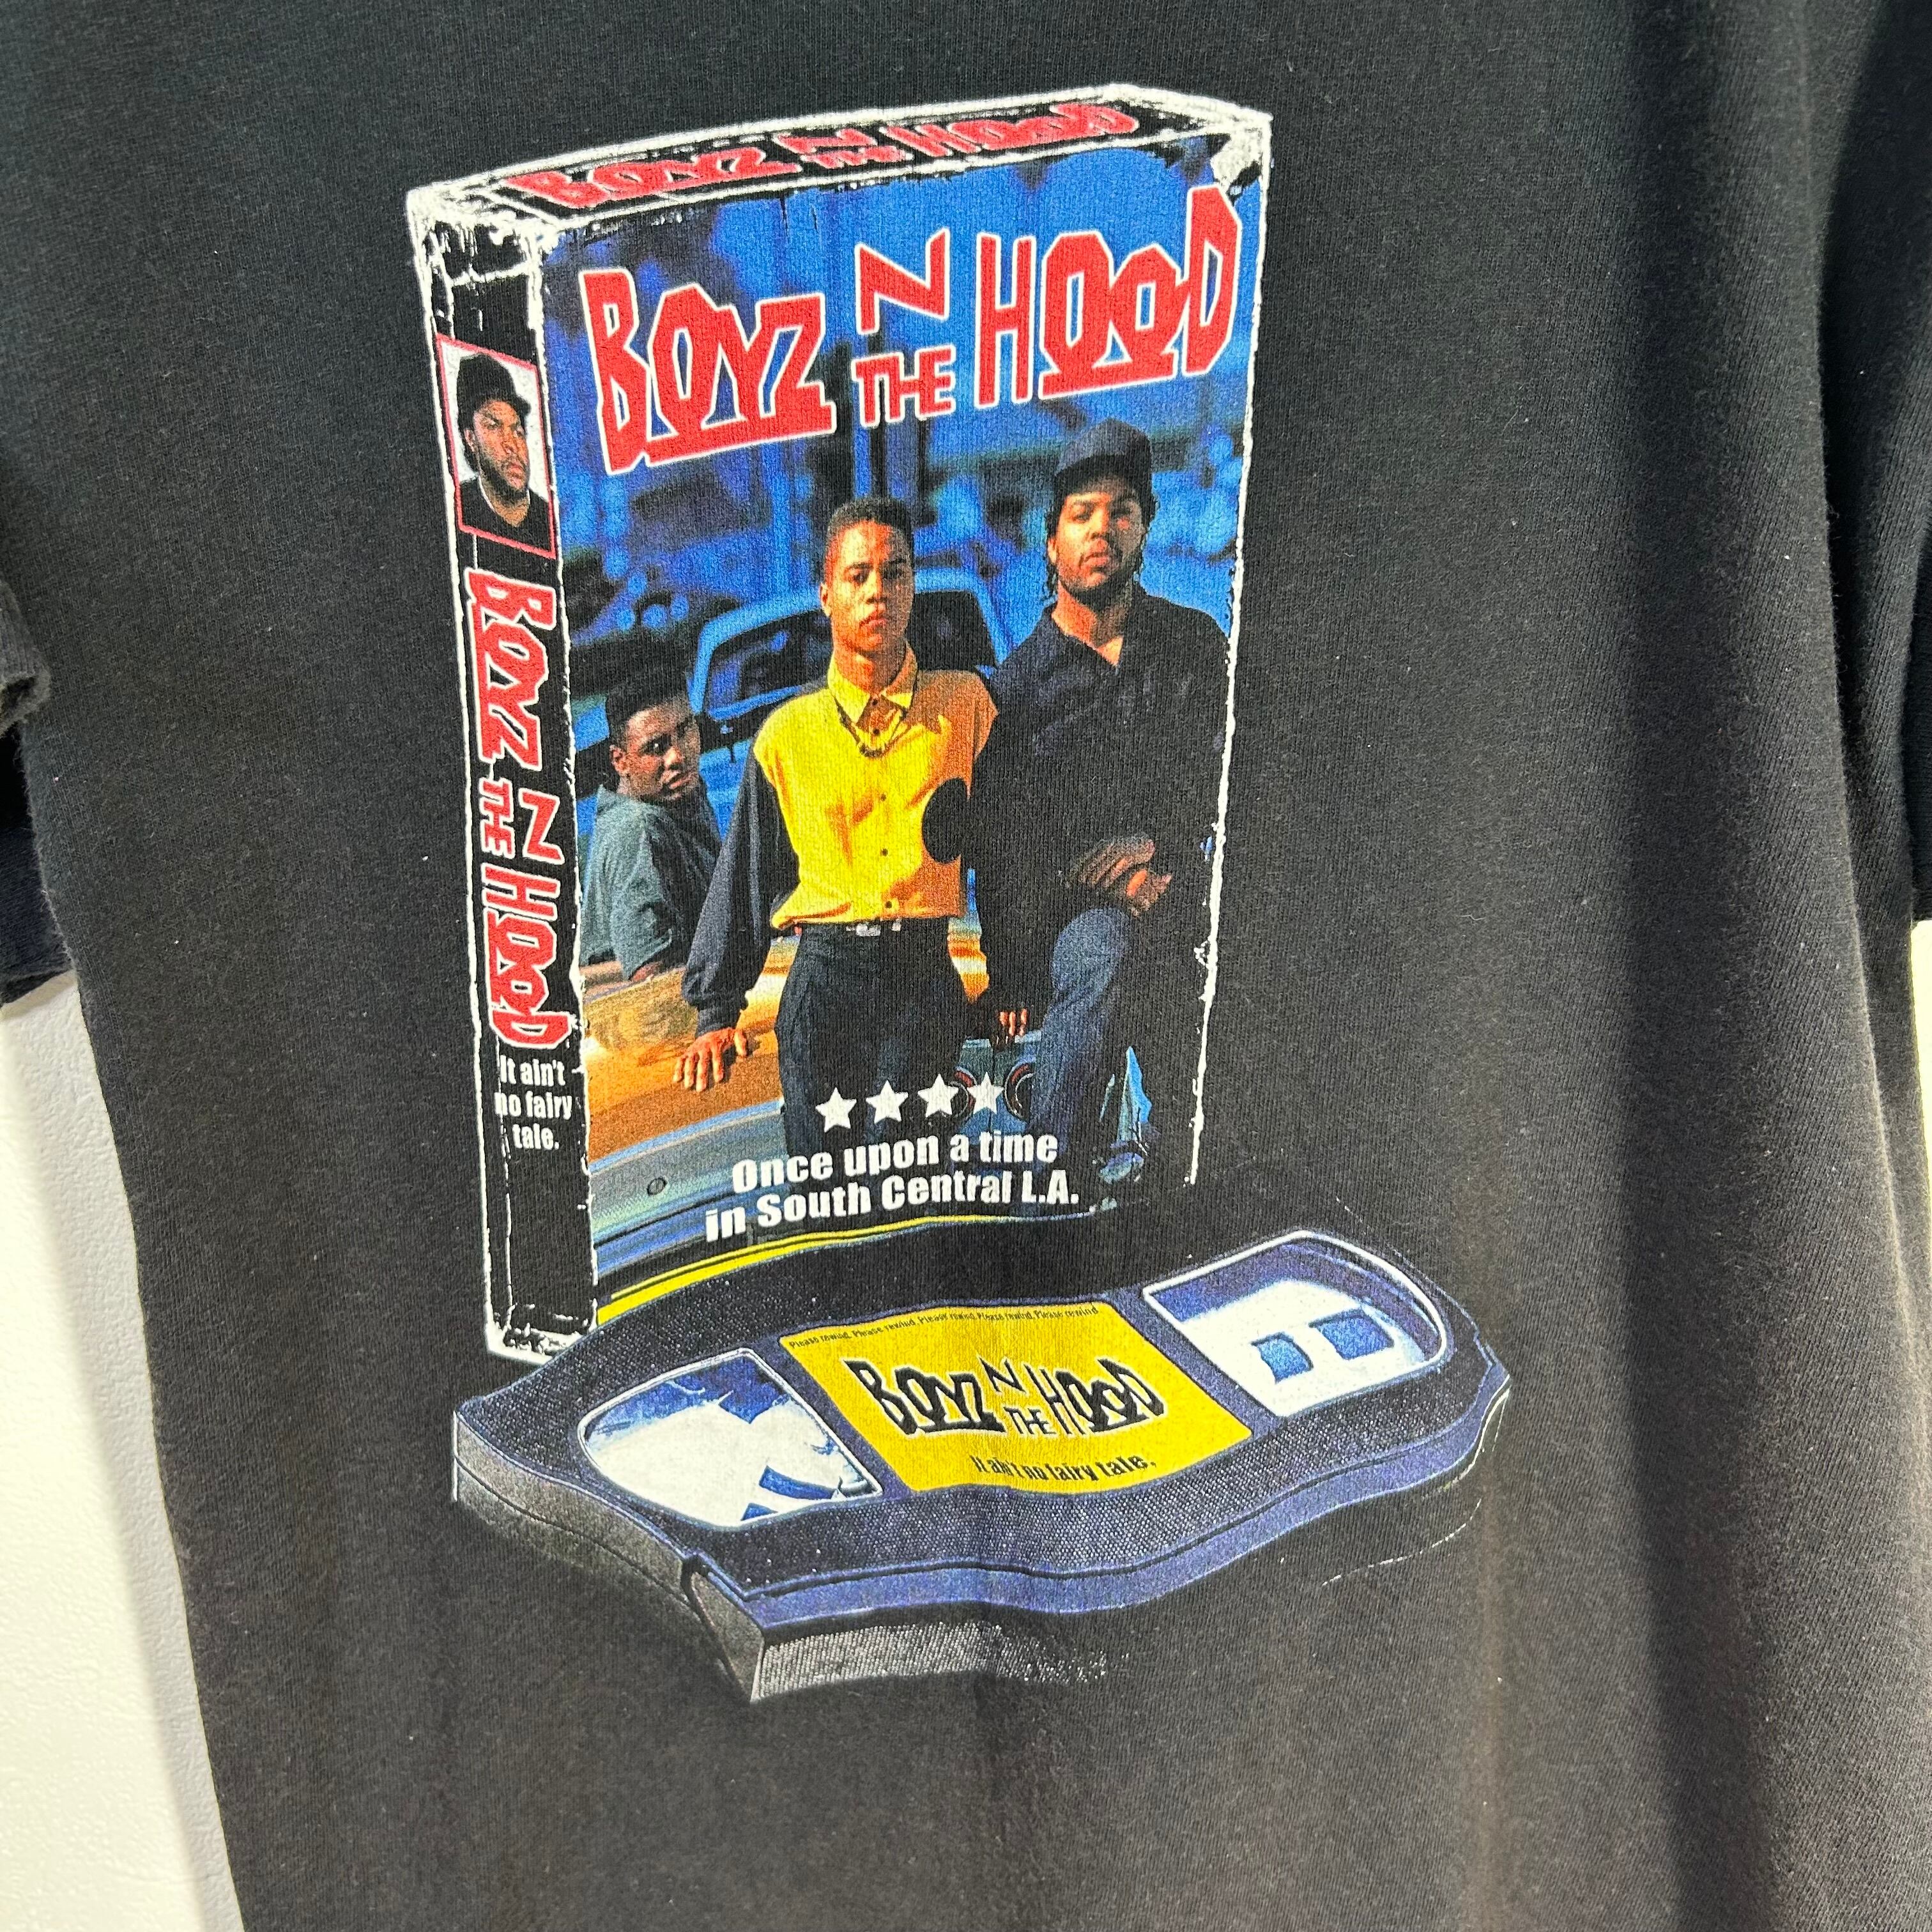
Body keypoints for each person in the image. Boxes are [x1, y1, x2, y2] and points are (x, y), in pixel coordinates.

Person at [676, 496, 995, 1157]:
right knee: (824, 1194)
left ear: (914, 585)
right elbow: (746, 876)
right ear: (827, 595)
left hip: (923, 979)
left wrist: (1015, 971)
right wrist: (716, 1013)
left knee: (911, 1186)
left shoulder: (966, 707)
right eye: (858, 575)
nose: (878, 591)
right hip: (824, 991)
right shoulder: (786, 736)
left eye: (895, 572)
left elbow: (1009, 851)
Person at [972, 418, 1229, 1177]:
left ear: (1145, 527)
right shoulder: (1015, 693)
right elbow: (1006, 857)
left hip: (1181, 895)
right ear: (1051, 542)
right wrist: (1021, 964)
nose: (1102, 529)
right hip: (1074, 927)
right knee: (1107, 949)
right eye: (1081, 514)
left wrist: (1154, 850)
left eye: (1122, 510)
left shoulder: (1194, 646)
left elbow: (1222, 777)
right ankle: (1053, 1178)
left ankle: (1194, 1167)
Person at [578, 668, 721, 980]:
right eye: (656, 748)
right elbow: (651, 980)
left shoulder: (680, 794)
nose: (677, 756)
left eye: (685, 731)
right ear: (621, 761)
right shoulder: (637, 830)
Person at [453, 352, 553, 551]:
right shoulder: (457, 508)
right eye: (494, 426)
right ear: (471, 438)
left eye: (517, 432)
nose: (511, 445)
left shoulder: (551, 520)